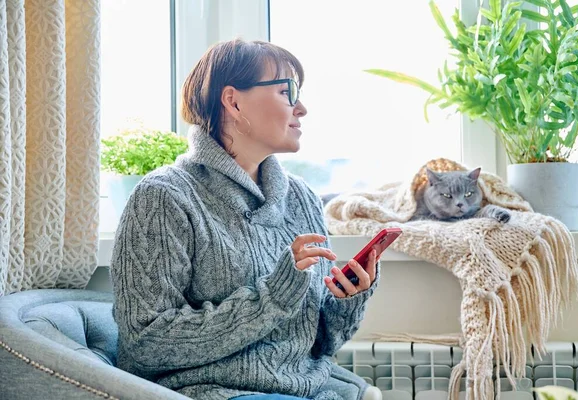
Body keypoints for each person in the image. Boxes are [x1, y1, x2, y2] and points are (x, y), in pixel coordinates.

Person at [111, 38, 383, 400]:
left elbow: (315, 344)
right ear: (234, 101)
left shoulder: (301, 198)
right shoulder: (163, 196)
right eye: (288, 91)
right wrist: (274, 295)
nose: (301, 108)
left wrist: (348, 299)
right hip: (212, 391)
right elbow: (145, 343)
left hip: (306, 388)